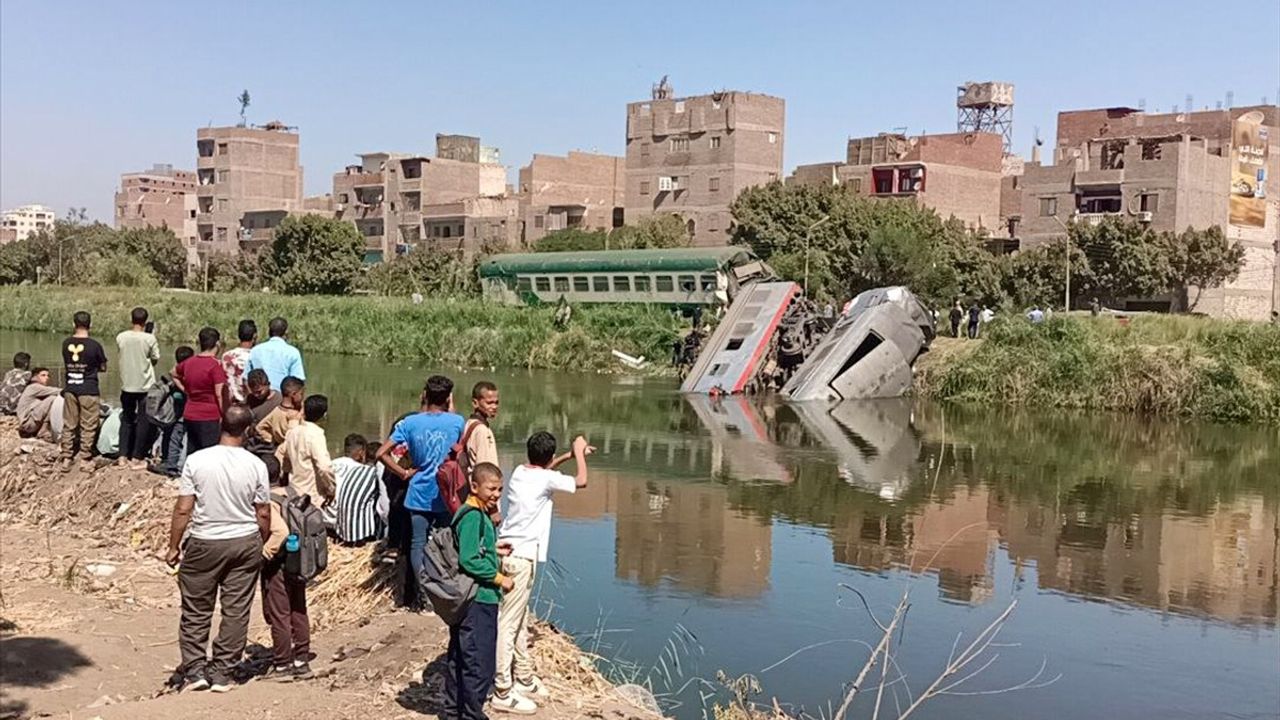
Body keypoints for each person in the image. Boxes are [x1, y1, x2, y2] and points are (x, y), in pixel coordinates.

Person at [165, 405, 271, 693]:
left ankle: (195, 670)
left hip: (204, 540)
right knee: (236, 610)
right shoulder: (256, 465)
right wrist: (260, 539)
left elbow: (183, 509)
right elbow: (262, 511)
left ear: (221, 425)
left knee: (196, 609)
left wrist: (173, 546)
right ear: (248, 430)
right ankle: (223, 672)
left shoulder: (197, 460)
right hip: (244, 540)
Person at [492, 432, 592, 712]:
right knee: (509, 623)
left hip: (509, 553)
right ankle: (502, 689)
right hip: (521, 558)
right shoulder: (545, 478)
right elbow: (582, 481)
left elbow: (545, 469)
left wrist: (568, 456)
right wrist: (580, 452)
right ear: (549, 457)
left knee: (520, 618)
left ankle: (523, 677)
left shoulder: (522, 473)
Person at [375, 375, 464, 609]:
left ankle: (424, 596)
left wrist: (403, 473)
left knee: (418, 543)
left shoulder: (410, 423)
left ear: (425, 395)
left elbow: (381, 453)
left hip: (418, 490)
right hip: (446, 492)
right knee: (446, 541)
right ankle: (444, 592)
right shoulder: (456, 422)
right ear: (448, 397)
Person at [444, 462, 513, 720]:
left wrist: (494, 550)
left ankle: (455, 711)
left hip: (471, 599)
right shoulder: (473, 515)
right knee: (479, 663)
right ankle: (472, 713)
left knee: (460, 656)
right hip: (478, 599)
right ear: (474, 486)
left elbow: (473, 548)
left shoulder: (474, 512)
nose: (496, 494)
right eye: (491, 489)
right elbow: (469, 559)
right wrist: (499, 578)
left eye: (500, 489)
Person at [258, 453, 314, 681]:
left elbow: (280, 532)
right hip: (299, 560)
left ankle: (282, 663)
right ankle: (301, 658)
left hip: (278, 564)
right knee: (298, 608)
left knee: (279, 613)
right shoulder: (292, 494)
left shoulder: (268, 501)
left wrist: (263, 555)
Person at [60, 311, 108, 468]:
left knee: (69, 423)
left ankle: (67, 456)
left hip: (70, 388)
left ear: (73, 324)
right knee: (88, 424)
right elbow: (103, 366)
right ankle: (85, 458)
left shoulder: (66, 343)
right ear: (90, 325)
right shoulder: (95, 345)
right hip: (88, 388)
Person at [116, 306, 161, 470]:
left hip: (127, 385)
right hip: (145, 386)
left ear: (132, 319)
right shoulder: (149, 339)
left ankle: (122, 456)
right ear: (145, 321)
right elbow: (155, 359)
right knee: (144, 421)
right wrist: (151, 335)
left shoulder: (121, 337)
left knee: (127, 419)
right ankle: (136, 456)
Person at [174, 327, 227, 453]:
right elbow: (219, 394)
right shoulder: (215, 365)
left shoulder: (189, 362)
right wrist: (224, 415)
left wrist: (185, 390)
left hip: (190, 413)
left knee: (192, 452)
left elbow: (174, 373)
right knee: (209, 453)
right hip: (209, 415)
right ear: (217, 344)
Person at [281, 394, 335, 511]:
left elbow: (286, 459)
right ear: (324, 415)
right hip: (311, 496)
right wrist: (331, 489)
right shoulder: (316, 434)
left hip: (293, 490)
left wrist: (284, 478)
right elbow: (324, 467)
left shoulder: (293, 432)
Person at [332, 434, 386, 544]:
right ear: (362, 453)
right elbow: (384, 508)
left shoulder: (336, 464)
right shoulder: (371, 471)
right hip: (359, 535)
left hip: (337, 525)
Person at [161, 346, 195, 477]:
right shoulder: (188, 374)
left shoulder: (179, 376)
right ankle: (180, 466)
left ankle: (171, 465)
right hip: (186, 414)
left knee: (174, 439)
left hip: (175, 414)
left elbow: (171, 372)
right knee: (184, 440)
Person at [248, 317, 305, 392]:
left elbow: (246, 378)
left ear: (269, 332)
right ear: (286, 333)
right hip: (282, 398)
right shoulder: (293, 352)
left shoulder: (255, 350)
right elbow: (298, 382)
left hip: (259, 396)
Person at [256, 376, 304, 449]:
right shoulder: (295, 416)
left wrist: (272, 439)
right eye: (301, 394)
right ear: (293, 394)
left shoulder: (275, 412)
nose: (302, 397)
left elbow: (259, 428)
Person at [17, 367, 62, 440]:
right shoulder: (34, 387)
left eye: (48, 376)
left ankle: (44, 429)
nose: (47, 378)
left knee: (51, 399)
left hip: (30, 423)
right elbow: (57, 391)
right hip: (28, 424)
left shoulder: (34, 388)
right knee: (52, 399)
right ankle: (43, 431)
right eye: (43, 375)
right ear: (35, 377)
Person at [467, 382, 500, 472]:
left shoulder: (469, 423)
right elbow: (485, 468)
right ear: (475, 403)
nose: (494, 407)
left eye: (496, 403)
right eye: (489, 403)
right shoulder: (482, 430)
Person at [222, 320, 257, 404]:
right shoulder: (255, 356)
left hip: (229, 403)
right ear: (254, 336)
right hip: (248, 403)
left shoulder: (226, 356)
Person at [0, 351, 31, 415]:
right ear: (26, 364)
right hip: (10, 408)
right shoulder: (27, 374)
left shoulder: (8, 373)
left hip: (1, 404)